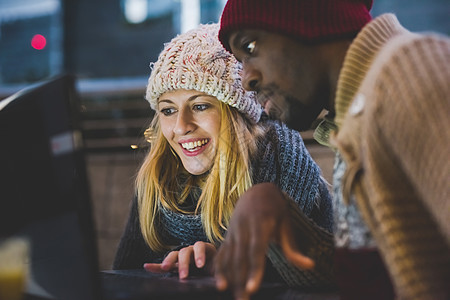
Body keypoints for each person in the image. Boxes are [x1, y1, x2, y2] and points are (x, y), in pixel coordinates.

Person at [215, 1, 450, 300]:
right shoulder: (354, 115)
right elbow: (368, 274)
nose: (247, 80)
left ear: (306, 15)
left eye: (250, 46)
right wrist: (278, 214)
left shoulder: (408, 71)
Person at [112, 23, 334, 288]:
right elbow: (122, 280)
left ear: (239, 115)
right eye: (168, 110)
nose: (181, 126)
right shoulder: (157, 177)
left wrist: (223, 267)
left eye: (201, 106)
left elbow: (325, 284)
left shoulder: (288, 175)